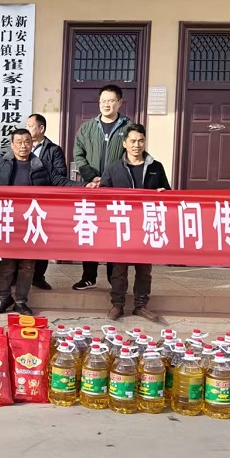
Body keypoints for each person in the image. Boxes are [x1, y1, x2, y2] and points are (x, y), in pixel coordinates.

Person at [0, 128, 82, 317]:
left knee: (28, 265)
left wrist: (85, 186)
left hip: (31, 222)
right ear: (12, 145)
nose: (23, 146)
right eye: (18, 142)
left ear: (32, 144)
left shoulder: (41, 165)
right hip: (8, 221)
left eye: (27, 142)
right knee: (7, 264)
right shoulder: (0, 163)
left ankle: (20, 301)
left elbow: (60, 181)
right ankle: (4, 298)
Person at [100, 123, 171, 323]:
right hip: (122, 226)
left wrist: (163, 193)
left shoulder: (156, 167)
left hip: (147, 225)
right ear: (124, 143)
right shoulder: (114, 168)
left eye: (140, 141)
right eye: (132, 141)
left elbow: (168, 192)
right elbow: (102, 197)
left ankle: (141, 305)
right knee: (119, 268)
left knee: (144, 269)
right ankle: (117, 304)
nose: (136, 145)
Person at [71, 84, 132, 292]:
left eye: (111, 101)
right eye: (103, 101)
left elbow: (132, 155)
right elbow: (78, 154)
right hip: (92, 190)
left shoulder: (129, 128)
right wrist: (91, 177)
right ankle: (89, 277)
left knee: (114, 235)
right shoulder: (87, 128)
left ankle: (114, 278)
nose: (107, 105)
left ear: (120, 103)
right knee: (90, 232)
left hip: (116, 191)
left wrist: (110, 178)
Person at [25, 113, 67, 291]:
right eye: (26, 126)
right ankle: (17, 276)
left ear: (41, 128)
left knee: (41, 239)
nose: (27, 129)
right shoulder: (22, 146)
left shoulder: (54, 150)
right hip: (23, 203)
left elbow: (60, 174)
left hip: (44, 203)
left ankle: (38, 276)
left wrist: (40, 169)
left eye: (30, 125)